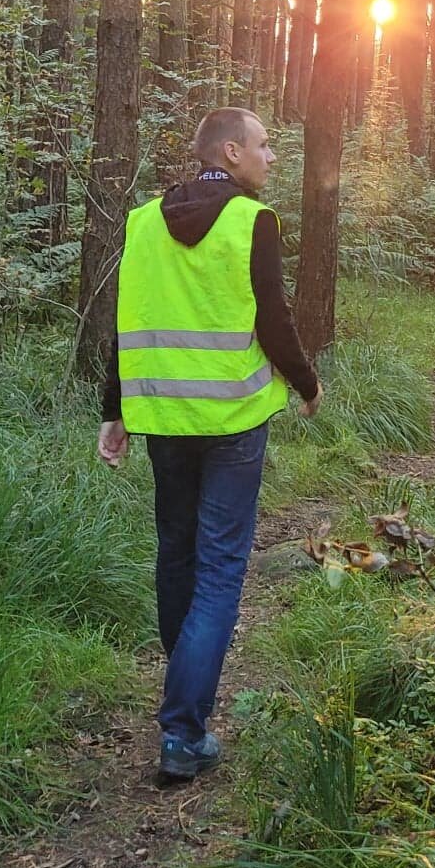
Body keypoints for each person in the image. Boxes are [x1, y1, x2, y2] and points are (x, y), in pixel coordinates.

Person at [97, 107, 322, 780]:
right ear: (230, 152)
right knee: (221, 567)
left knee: (177, 554)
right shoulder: (253, 220)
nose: (271, 157)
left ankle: (182, 696)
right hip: (230, 421)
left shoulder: (142, 222)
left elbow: (126, 321)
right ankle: (183, 731)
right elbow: (273, 318)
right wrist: (308, 383)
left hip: (161, 416)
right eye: (263, 145)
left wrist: (115, 410)